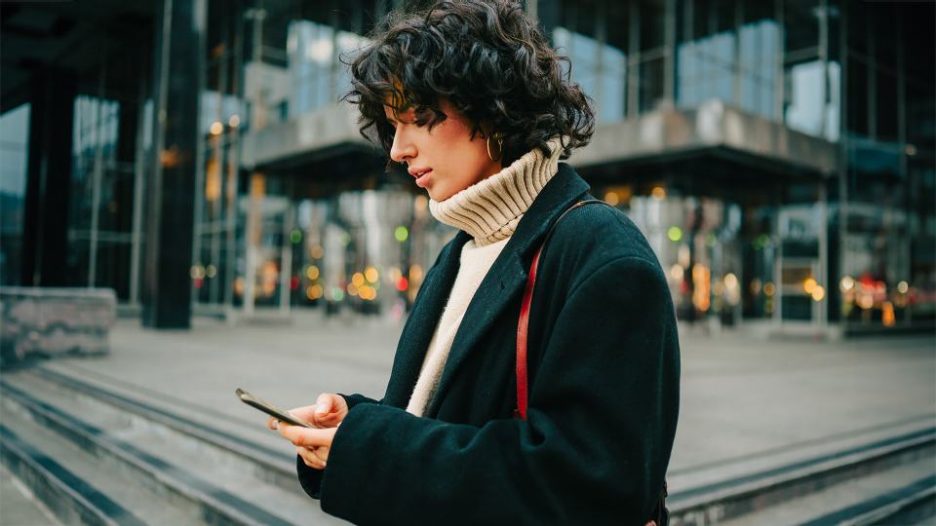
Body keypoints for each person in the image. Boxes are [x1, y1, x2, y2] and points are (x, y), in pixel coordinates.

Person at [267, 1, 680, 524]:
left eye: (418, 118)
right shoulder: (464, 249)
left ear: (492, 107)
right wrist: (354, 426)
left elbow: (589, 485)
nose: (397, 150)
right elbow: (446, 417)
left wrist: (371, 445)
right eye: (392, 126)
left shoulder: (601, 255)